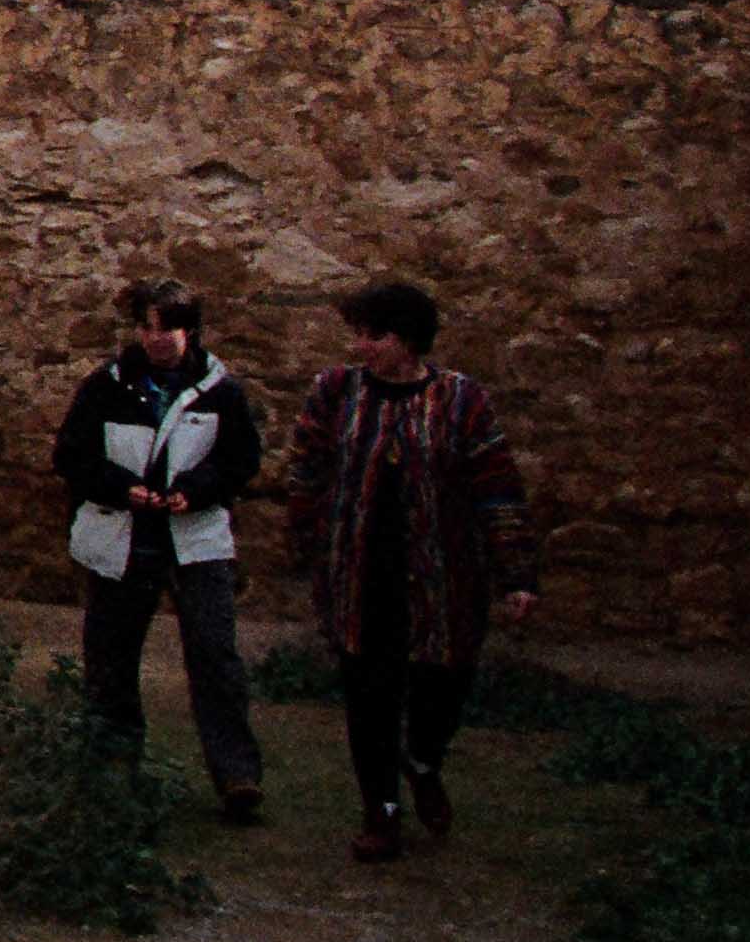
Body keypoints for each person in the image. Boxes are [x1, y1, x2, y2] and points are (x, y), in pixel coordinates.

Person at [283, 278, 540, 864]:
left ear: (409, 340)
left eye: (378, 336)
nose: (364, 346)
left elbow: (498, 489)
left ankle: (423, 761)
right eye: (362, 335)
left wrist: (517, 574)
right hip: (361, 576)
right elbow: (306, 469)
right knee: (368, 698)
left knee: (440, 689)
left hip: (443, 582)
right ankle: (383, 813)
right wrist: (309, 537)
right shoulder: (336, 392)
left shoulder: (460, 401)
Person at [51, 279, 267, 819]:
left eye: (165, 328)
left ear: (188, 331)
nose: (155, 338)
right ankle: (114, 773)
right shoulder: (107, 386)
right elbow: (72, 456)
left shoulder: (221, 391)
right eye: (145, 327)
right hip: (122, 540)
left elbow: (241, 461)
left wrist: (195, 491)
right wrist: (121, 488)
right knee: (111, 659)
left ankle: (237, 775)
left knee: (215, 656)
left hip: (195, 541)